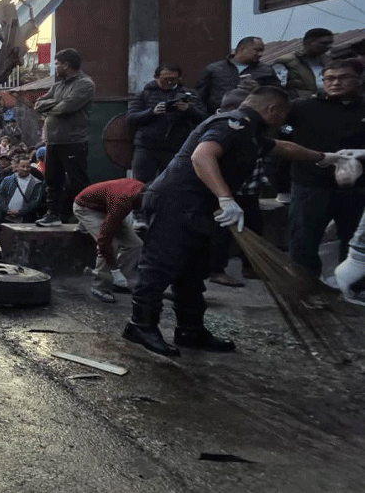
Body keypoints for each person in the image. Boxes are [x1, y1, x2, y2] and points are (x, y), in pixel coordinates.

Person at [124, 86, 348, 356]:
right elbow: (202, 156)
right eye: (283, 115)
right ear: (272, 110)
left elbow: (283, 147)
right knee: (160, 267)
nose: (284, 121)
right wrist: (226, 199)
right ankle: (140, 326)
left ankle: (190, 330)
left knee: (194, 271)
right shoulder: (233, 124)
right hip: (177, 202)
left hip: (198, 207)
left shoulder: (252, 132)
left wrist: (325, 159)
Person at [286, 59, 365, 279]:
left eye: (343, 77)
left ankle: (349, 289)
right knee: (303, 241)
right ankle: (305, 289)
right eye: (329, 78)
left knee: (355, 242)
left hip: (357, 190)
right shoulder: (302, 108)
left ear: (359, 79)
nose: (335, 83)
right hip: (310, 186)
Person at [204, 89, 263, 288]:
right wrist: (224, 196)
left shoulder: (251, 127)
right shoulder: (221, 127)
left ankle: (251, 265)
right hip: (226, 191)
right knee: (221, 232)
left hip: (250, 188)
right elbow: (204, 159)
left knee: (254, 225)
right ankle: (216, 270)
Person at [34, 48, 95, 226]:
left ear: (66, 65)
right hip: (53, 141)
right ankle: (53, 215)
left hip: (74, 141)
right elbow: (38, 104)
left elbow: (65, 107)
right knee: (52, 180)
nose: (56, 67)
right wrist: (56, 103)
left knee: (78, 182)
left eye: (57, 64)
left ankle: (86, 219)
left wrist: (52, 106)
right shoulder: (58, 85)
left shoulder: (85, 84)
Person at [126, 64, 206, 184]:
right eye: (165, 79)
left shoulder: (190, 94)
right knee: (139, 183)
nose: (169, 82)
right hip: (147, 147)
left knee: (173, 183)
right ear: (155, 77)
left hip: (176, 147)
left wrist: (188, 110)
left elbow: (204, 118)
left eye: (173, 79)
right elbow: (131, 118)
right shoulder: (144, 94)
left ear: (179, 78)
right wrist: (152, 112)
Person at [73, 178, 144, 303]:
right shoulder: (123, 201)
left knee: (135, 244)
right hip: (86, 208)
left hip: (106, 207)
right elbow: (104, 240)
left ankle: (117, 283)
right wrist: (115, 271)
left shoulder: (145, 192)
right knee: (111, 244)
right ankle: (99, 286)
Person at [195, 37, 280, 112]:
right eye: (257, 50)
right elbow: (199, 96)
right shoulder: (215, 69)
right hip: (218, 118)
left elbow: (277, 95)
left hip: (253, 119)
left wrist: (259, 89)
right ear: (242, 49)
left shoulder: (266, 71)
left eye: (262, 51)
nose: (260, 54)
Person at [0, 156, 43, 239]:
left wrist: (20, 212)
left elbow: (35, 201)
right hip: (5, 213)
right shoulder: (9, 179)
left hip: (24, 217)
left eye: (28, 167)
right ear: (17, 166)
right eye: (23, 166)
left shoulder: (36, 183)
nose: (26, 169)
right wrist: (6, 209)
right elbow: (0, 194)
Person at [276, 28, 335, 98]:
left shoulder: (328, 60)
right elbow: (278, 90)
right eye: (324, 43)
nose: (328, 47)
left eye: (330, 43)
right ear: (308, 43)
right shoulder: (286, 61)